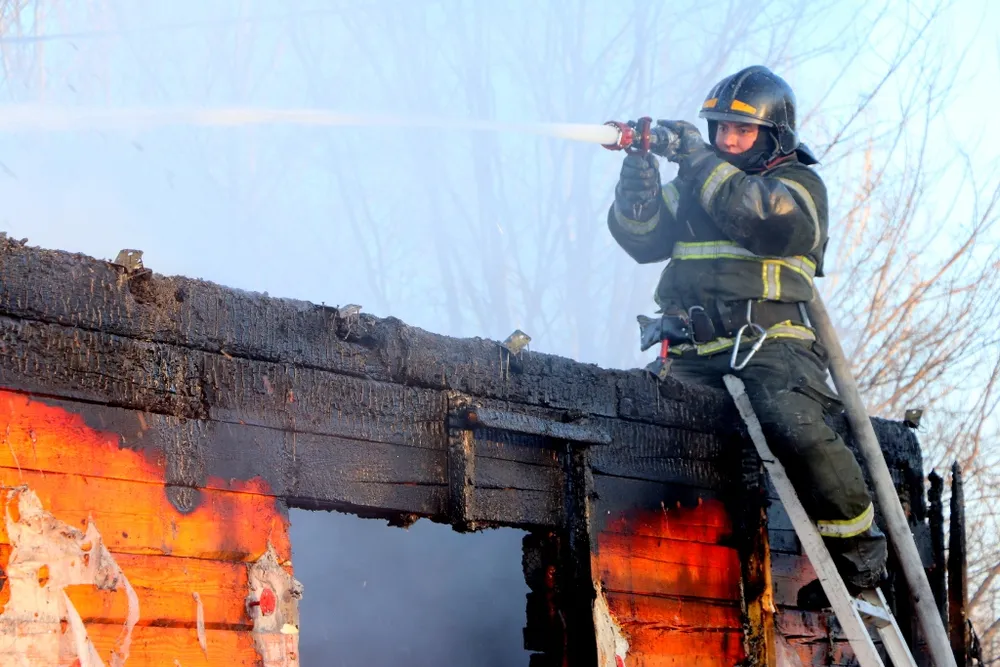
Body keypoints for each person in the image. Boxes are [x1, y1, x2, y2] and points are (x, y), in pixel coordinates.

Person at [607, 65, 888, 605]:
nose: (726, 140)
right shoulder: (699, 182)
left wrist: (695, 159)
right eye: (718, 130)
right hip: (691, 351)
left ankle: (858, 560)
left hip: (771, 344)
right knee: (638, 424)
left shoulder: (799, 186)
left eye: (741, 131)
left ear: (775, 135)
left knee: (792, 421)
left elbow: (764, 220)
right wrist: (637, 190)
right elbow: (643, 240)